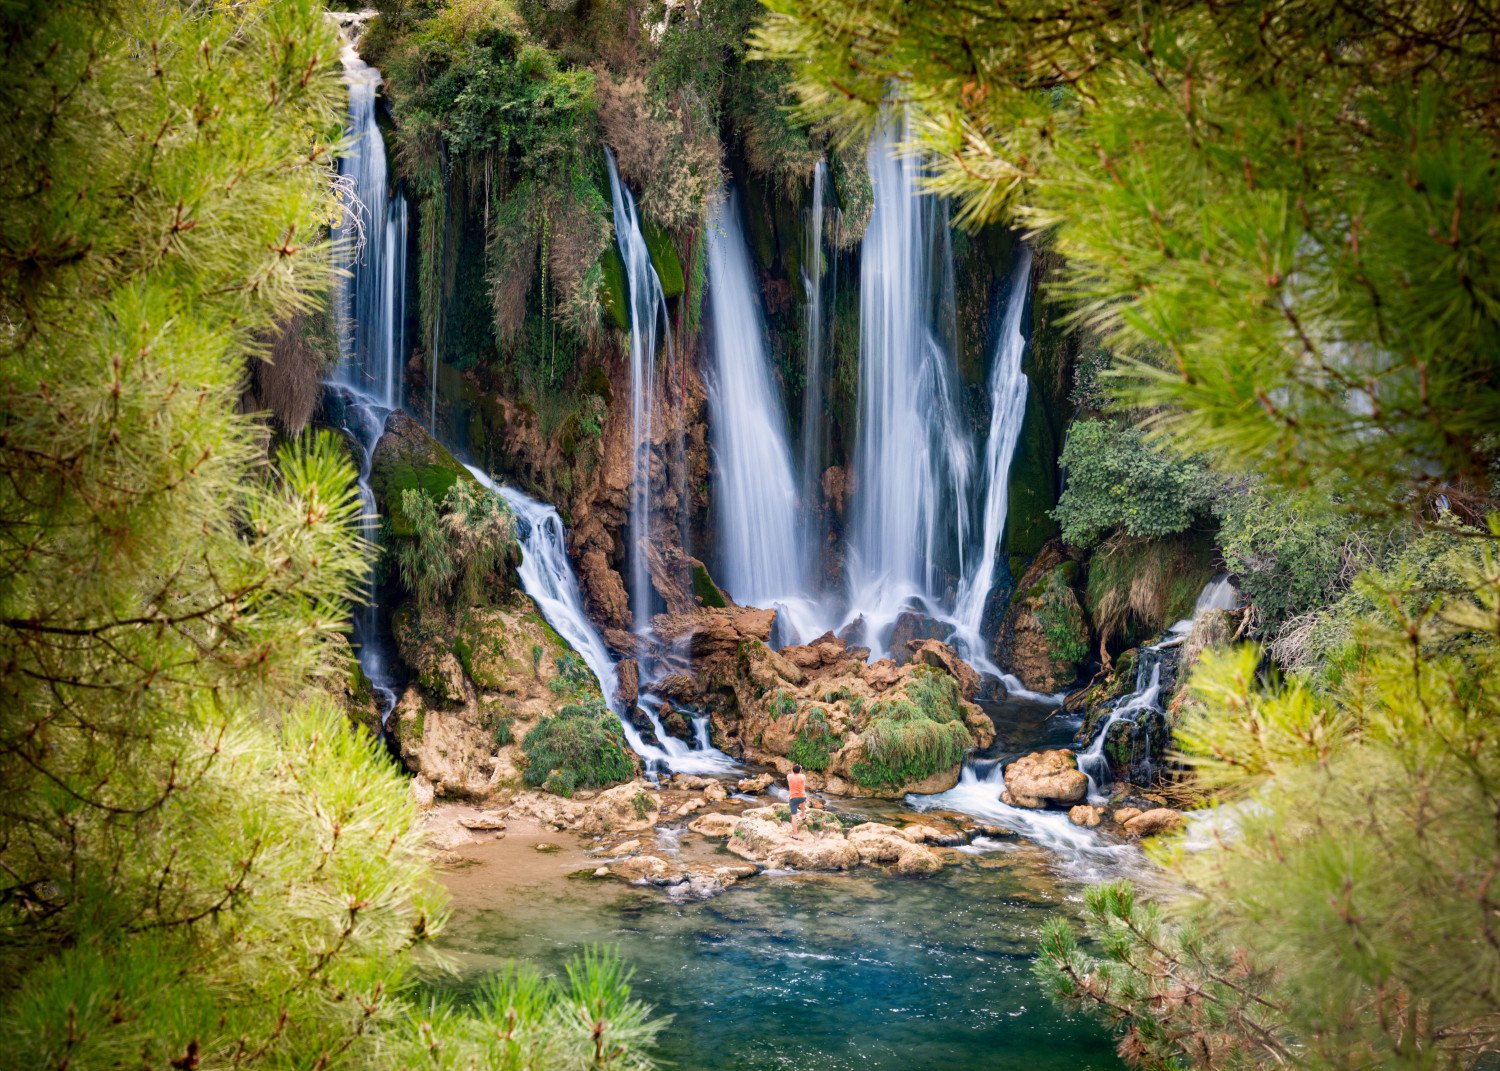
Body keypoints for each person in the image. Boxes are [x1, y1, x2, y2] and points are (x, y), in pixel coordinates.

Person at [787, 764, 807, 837]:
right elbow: (800, 774)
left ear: (792, 770)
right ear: (800, 770)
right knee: (802, 801)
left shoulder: (789, 776)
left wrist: (795, 768)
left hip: (793, 798)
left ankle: (795, 835)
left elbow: (792, 773)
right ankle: (803, 814)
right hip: (803, 797)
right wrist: (800, 768)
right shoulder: (803, 776)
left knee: (794, 816)